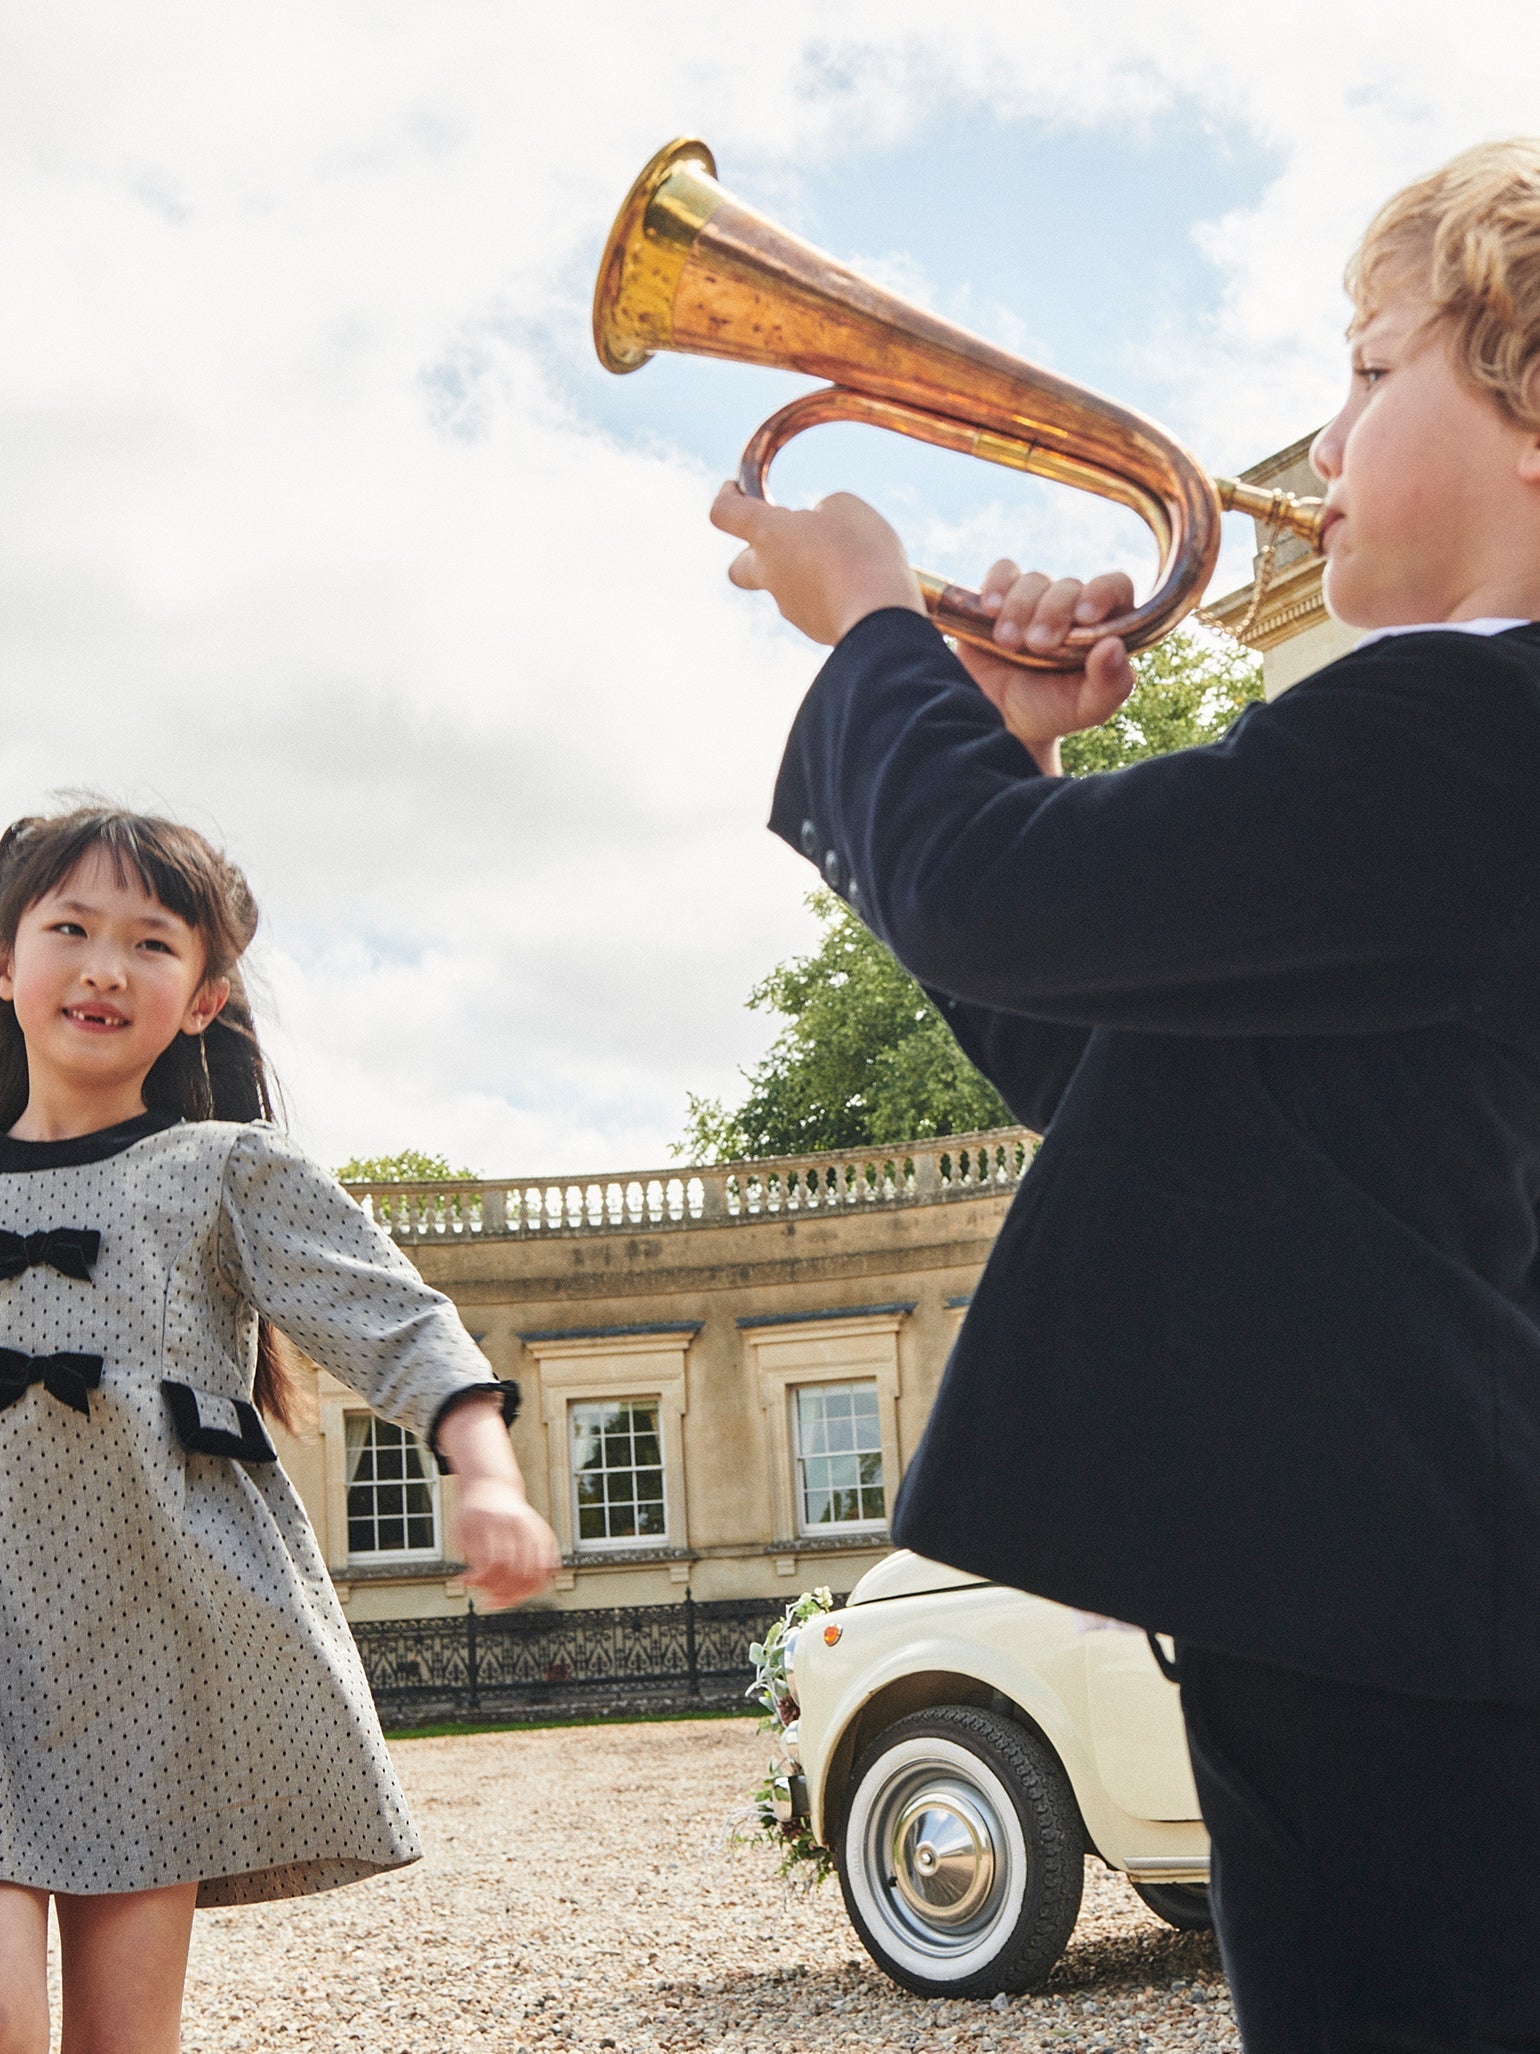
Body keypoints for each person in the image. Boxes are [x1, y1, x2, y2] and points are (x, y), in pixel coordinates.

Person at [710, 139, 1540, 2048]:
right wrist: (994, 758)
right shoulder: (1463, 747)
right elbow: (1117, 1063)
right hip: (1373, 1587)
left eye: (1367, 365)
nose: (1319, 441)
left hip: (1393, 1593)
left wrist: (878, 632)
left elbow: (1002, 898)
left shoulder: (1464, 725)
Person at [0, 806, 560, 2054]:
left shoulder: (223, 1169)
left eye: (151, 942)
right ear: (4, 961)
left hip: (144, 1661)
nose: (103, 965)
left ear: (203, 995)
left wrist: (487, 1471)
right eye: (69, 928)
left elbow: (395, 1320)